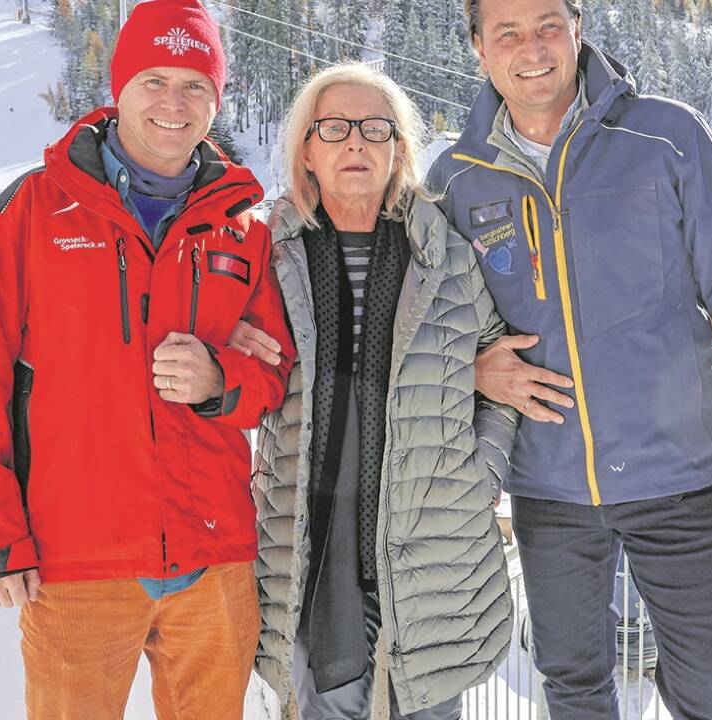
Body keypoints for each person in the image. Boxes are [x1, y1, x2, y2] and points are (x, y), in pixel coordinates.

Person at [423, 1, 712, 718]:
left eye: (547, 25)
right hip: (549, 488)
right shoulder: (457, 176)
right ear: (478, 48)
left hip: (683, 480)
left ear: (577, 30)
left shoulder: (668, 136)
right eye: (506, 32)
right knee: (574, 688)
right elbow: (430, 325)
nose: (531, 48)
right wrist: (473, 371)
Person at [0, 1, 294, 718]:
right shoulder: (30, 215)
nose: (174, 102)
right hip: (77, 561)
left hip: (211, 553)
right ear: (119, 86)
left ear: (217, 99)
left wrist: (224, 377)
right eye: (154, 80)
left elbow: (276, 374)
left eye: (195, 84)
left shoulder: (243, 228)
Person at [239, 63, 517, 720]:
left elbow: (502, 373)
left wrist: (480, 473)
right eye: (333, 128)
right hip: (315, 560)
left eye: (374, 128)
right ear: (307, 149)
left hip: (432, 558)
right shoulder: (269, 253)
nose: (355, 143)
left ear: (399, 148)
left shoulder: (442, 252)